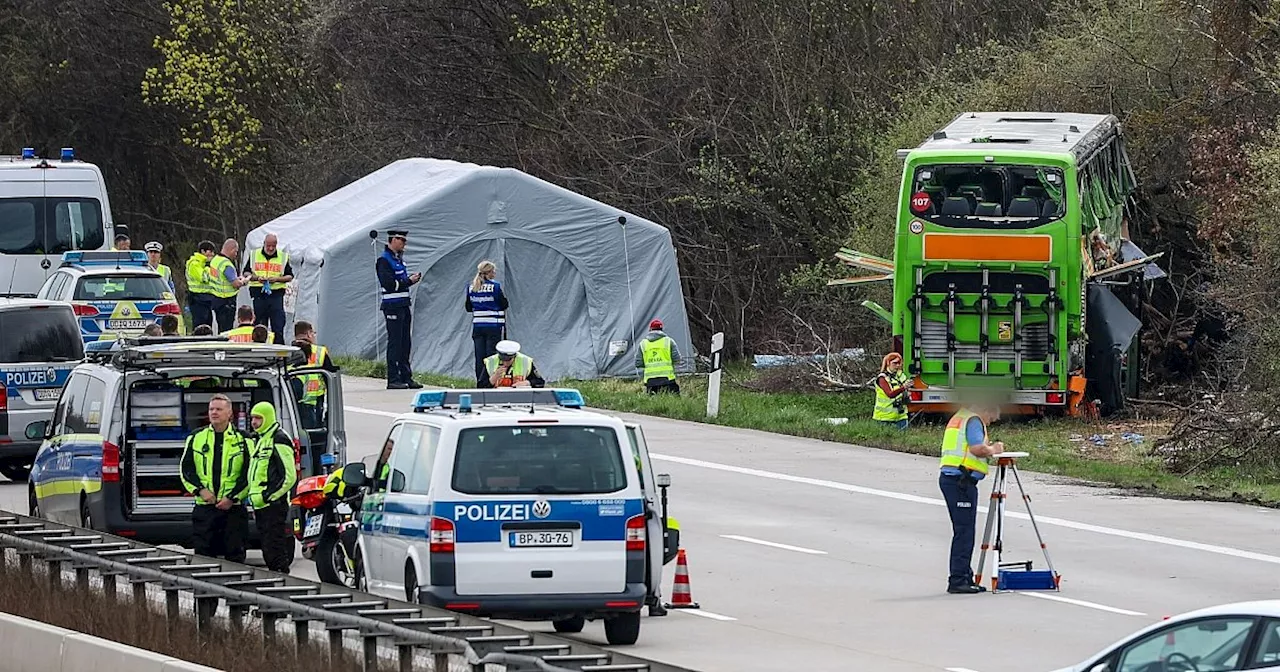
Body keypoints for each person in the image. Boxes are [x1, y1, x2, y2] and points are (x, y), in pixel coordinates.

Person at [938, 405, 1004, 594]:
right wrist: (994, 449)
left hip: (956, 480)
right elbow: (977, 448)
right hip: (960, 481)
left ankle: (965, 575)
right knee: (964, 532)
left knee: (964, 530)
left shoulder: (962, 416)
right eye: (992, 419)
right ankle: (958, 579)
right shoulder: (974, 420)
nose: (990, 423)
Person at [179, 394, 250, 562]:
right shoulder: (196, 437)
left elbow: (250, 473)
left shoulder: (244, 439)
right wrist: (200, 490)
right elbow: (186, 469)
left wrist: (232, 498)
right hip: (205, 508)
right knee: (203, 558)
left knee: (235, 558)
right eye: (211, 409)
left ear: (229, 413)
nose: (214, 412)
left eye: (219, 409)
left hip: (233, 509)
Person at [246, 401, 298, 573]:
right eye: (253, 418)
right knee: (268, 549)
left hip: (273, 505)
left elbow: (289, 476)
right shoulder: (261, 439)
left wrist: (269, 496)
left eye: (258, 418)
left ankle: (282, 585)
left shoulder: (279, 438)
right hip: (261, 505)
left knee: (275, 549)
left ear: (267, 418)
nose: (254, 422)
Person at [375, 230, 422, 390]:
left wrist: (408, 282)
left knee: (405, 342)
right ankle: (393, 378)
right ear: (392, 240)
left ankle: (406, 376)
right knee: (395, 342)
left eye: (404, 240)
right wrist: (407, 281)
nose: (404, 243)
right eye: (401, 239)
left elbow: (399, 282)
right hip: (392, 305)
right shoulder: (384, 260)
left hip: (403, 304)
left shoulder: (399, 259)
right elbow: (388, 283)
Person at [243, 233, 293, 346]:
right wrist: (257, 278)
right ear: (264, 244)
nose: (270, 248)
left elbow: (290, 276)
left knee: (278, 327)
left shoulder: (283, 256)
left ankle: (279, 352)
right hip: (259, 294)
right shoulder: (254, 255)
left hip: (276, 296)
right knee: (260, 326)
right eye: (268, 246)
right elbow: (246, 272)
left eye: (273, 246)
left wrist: (277, 279)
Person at [464, 260, 508, 385]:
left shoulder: (471, 287)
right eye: (493, 271)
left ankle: (480, 382)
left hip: (478, 326)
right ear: (489, 273)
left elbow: (468, 307)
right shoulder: (495, 286)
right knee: (491, 356)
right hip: (493, 326)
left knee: (479, 356)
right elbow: (504, 304)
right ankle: (490, 382)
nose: (494, 273)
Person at [292, 320, 337, 429]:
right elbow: (331, 379)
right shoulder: (319, 352)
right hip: (314, 401)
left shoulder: (288, 351)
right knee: (314, 435)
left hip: (291, 400)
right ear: (309, 334)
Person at [208, 238, 248, 333]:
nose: (236, 254)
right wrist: (244, 281)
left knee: (220, 327)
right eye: (236, 252)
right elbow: (235, 284)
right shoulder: (227, 265)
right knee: (226, 330)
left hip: (216, 299)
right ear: (232, 250)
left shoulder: (215, 260)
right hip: (226, 302)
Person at [635, 318, 681, 395]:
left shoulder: (643, 344)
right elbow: (677, 359)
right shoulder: (669, 341)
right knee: (675, 399)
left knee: (651, 404)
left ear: (650, 329)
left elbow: (638, 363)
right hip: (668, 379)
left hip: (650, 381)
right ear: (662, 329)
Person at [874, 353, 910, 430]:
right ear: (888, 363)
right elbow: (890, 394)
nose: (897, 365)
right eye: (895, 363)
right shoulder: (882, 378)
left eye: (899, 363)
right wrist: (903, 388)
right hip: (884, 417)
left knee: (902, 439)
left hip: (901, 415)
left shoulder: (901, 376)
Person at [186, 241, 217, 330]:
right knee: (199, 326)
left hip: (206, 299)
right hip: (197, 299)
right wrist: (210, 268)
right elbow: (204, 278)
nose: (212, 254)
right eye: (210, 252)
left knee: (208, 325)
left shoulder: (202, 263)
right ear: (203, 251)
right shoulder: (194, 263)